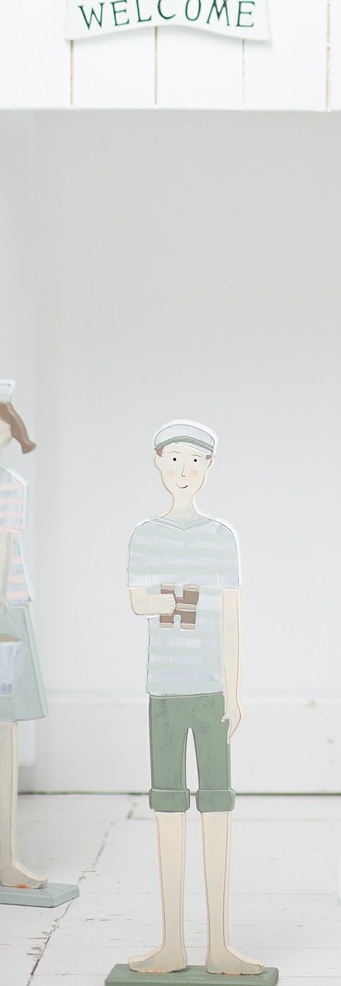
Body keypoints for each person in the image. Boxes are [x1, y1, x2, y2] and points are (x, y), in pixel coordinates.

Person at [126, 420, 262, 977]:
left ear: (208, 469)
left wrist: (235, 689)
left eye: (195, 460)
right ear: (159, 463)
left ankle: (220, 944)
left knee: (217, 806)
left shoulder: (221, 536)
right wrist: (181, 599)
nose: (184, 470)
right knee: (167, 807)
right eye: (174, 458)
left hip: (209, 690)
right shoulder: (144, 534)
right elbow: (138, 602)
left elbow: (231, 614)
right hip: (165, 689)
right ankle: (173, 943)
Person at [0, 382, 50, 893]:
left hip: (5, 613)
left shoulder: (10, 485)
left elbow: (5, 549)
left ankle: (5, 858)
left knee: (5, 731)